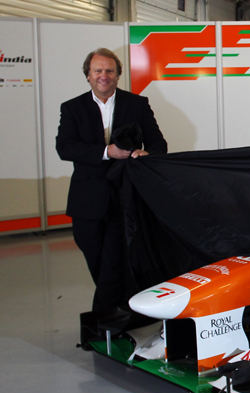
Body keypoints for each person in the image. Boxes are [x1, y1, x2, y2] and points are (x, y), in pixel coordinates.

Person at [56, 48, 167, 317]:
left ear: (118, 75)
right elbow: (65, 148)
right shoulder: (72, 108)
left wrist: (147, 154)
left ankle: (103, 323)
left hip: (125, 196)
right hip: (86, 201)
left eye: (109, 71)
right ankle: (119, 310)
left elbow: (158, 144)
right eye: (98, 71)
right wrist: (108, 152)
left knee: (114, 262)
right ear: (88, 75)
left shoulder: (137, 104)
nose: (103, 76)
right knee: (97, 261)